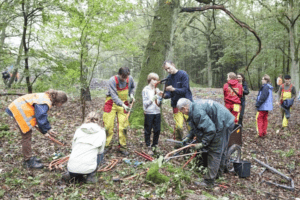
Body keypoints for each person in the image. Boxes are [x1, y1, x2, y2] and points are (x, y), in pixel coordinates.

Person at [178, 98, 235, 187]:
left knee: (215, 151)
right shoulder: (194, 107)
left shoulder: (197, 112)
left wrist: (202, 143)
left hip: (223, 123)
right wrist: (189, 137)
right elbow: (196, 126)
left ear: (184, 108)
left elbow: (210, 130)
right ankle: (218, 174)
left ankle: (209, 181)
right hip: (223, 120)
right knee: (221, 148)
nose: (182, 113)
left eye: (182, 111)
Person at [5, 89, 68, 169]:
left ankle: (28, 158)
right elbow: (40, 117)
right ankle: (28, 161)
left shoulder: (46, 97)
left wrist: (48, 129)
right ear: (60, 101)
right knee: (26, 136)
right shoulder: (45, 102)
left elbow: (41, 117)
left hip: (17, 108)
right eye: (62, 104)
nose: (61, 106)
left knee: (27, 135)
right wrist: (45, 132)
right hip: (17, 110)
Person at [64, 112, 106, 184]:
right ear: (98, 120)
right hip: (89, 168)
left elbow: (73, 146)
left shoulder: (79, 130)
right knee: (100, 154)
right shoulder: (101, 132)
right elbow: (100, 151)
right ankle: (91, 175)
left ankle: (74, 175)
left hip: (71, 168)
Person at [102, 67, 135, 155]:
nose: (124, 79)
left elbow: (132, 88)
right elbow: (114, 96)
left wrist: (131, 95)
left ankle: (122, 147)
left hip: (124, 103)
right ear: (119, 74)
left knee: (123, 126)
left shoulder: (130, 78)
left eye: (126, 77)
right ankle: (106, 145)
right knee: (108, 126)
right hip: (111, 103)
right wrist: (123, 105)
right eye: (122, 77)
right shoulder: (112, 80)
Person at [162, 61, 193, 141]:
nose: (168, 71)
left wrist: (174, 89)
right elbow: (169, 94)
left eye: (169, 68)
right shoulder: (169, 78)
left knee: (190, 126)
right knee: (178, 127)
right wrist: (163, 95)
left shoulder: (183, 74)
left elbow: (185, 89)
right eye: (166, 70)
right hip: (176, 105)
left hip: (187, 104)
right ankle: (178, 145)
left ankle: (193, 143)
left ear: (173, 65)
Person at [142, 73, 163, 155]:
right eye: (153, 79)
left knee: (157, 130)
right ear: (149, 80)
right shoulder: (145, 90)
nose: (155, 81)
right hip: (149, 113)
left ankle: (155, 145)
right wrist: (154, 97)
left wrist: (161, 97)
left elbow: (159, 103)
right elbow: (146, 104)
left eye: (156, 80)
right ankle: (148, 146)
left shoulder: (157, 90)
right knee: (148, 130)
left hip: (157, 112)